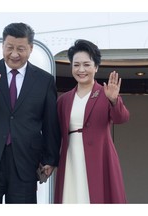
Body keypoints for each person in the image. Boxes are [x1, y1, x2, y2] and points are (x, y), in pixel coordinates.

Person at [0, 22, 60, 204]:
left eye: (20, 49)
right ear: (3, 46)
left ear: (30, 48)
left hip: (25, 162)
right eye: (9, 48)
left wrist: (50, 158)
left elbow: (50, 124)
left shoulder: (44, 81)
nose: (14, 54)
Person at [54, 39, 129, 204]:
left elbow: (121, 118)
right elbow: (54, 133)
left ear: (96, 67)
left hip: (100, 159)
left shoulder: (106, 93)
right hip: (70, 158)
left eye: (87, 65)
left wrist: (114, 101)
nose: (81, 70)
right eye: (76, 65)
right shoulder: (64, 100)